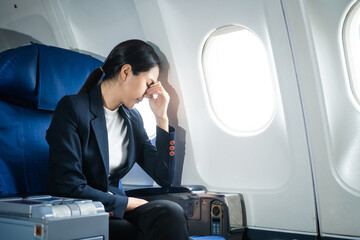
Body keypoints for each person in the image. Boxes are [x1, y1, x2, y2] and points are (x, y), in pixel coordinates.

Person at [46, 39, 189, 240]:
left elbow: (163, 177)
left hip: (116, 210)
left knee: (170, 213)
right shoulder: (72, 109)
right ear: (125, 72)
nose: (149, 93)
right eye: (148, 84)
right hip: (82, 209)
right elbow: (67, 185)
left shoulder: (132, 119)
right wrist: (127, 203)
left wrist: (162, 117)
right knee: (132, 231)